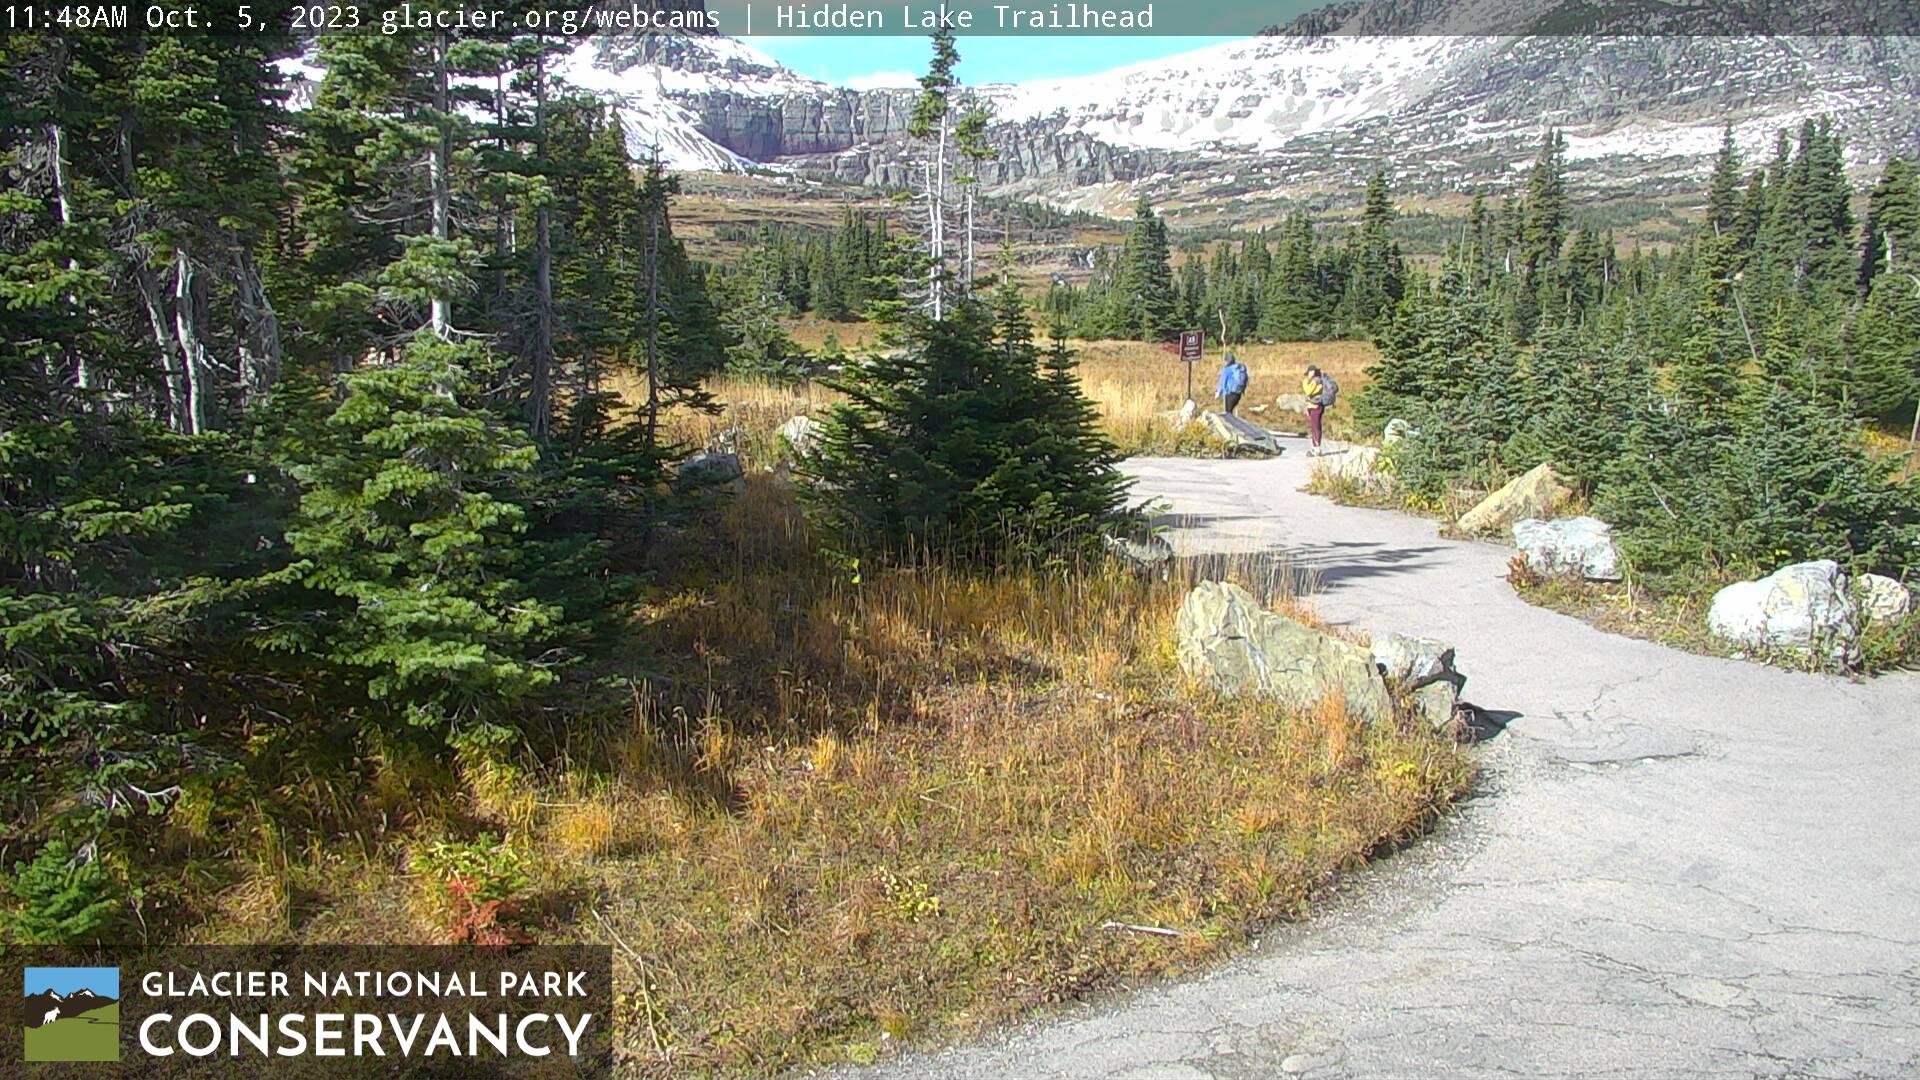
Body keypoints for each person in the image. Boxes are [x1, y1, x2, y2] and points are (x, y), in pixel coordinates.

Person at [1303, 365, 1338, 454]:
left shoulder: (1316, 381)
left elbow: (1308, 391)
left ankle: (1317, 448)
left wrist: (1306, 380)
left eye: (1310, 372)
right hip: (1314, 406)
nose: (1309, 374)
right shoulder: (1317, 380)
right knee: (1315, 426)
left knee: (1316, 427)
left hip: (1316, 406)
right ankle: (1315, 447)